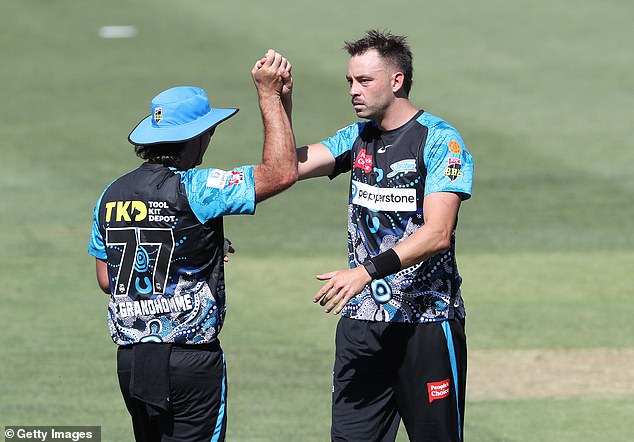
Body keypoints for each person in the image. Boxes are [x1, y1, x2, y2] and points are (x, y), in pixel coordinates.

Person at [87, 49, 296, 441]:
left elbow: (107, 277)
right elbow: (281, 173)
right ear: (195, 138)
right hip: (190, 362)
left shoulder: (109, 194)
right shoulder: (196, 188)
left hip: (132, 363)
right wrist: (271, 96)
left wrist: (197, 247)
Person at [296, 30, 474, 441]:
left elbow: (437, 233)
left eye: (364, 81)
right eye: (350, 82)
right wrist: (275, 101)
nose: (353, 91)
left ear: (397, 81)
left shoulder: (440, 141)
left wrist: (365, 272)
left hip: (426, 326)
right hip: (362, 327)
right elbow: (287, 168)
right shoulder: (357, 137)